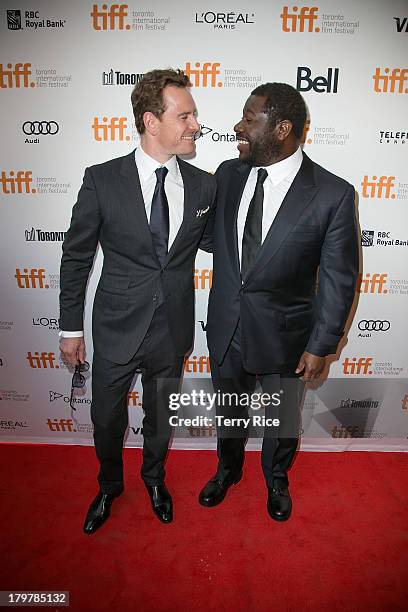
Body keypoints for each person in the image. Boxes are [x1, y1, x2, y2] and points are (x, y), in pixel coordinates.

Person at [59, 68, 216, 533]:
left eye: (194, 115)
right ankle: (109, 486)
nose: (195, 125)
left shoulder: (205, 185)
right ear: (151, 121)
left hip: (173, 326)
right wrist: (71, 328)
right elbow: (77, 256)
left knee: (160, 413)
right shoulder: (102, 180)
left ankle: (153, 479)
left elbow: (213, 243)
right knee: (106, 417)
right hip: (115, 324)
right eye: (185, 115)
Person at [199, 82, 359, 521]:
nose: (239, 126)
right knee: (229, 411)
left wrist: (321, 345)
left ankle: (276, 478)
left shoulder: (332, 194)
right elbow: (214, 240)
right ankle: (227, 470)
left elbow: (340, 279)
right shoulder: (228, 175)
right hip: (228, 326)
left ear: (283, 128)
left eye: (250, 119)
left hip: (289, 336)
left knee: (283, 421)